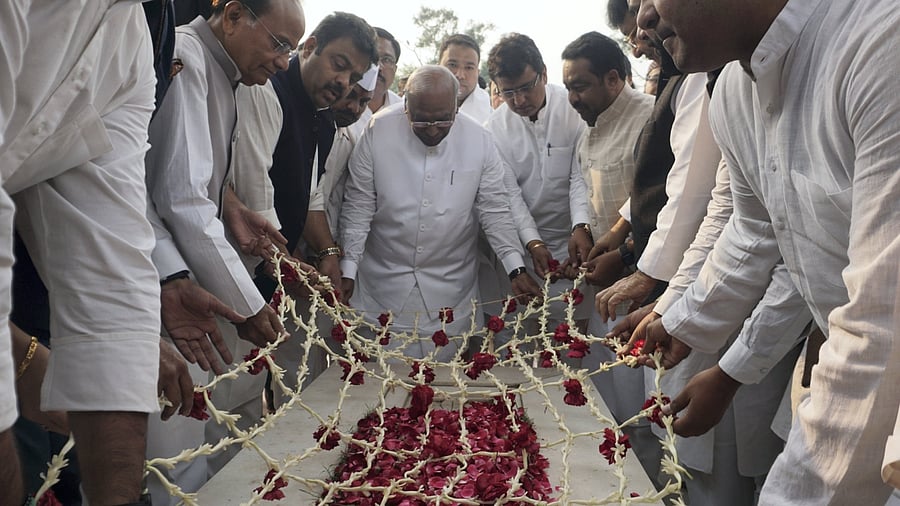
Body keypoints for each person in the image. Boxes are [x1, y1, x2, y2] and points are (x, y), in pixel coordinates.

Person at [633, 0, 900, 504]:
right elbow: (755, 228)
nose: (644, 17)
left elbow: (884, 317)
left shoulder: (879, 41)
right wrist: (685, 320)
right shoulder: (733, 92)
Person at [145, 0, 306, 493]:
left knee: (195, 441)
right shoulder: (189, 58)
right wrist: (249, 306)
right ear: (233, 16)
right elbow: (183, 199)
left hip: (180, 272)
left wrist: (229, 202)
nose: (284, 62)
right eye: (279, 45)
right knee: (171, 458)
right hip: (156, 276)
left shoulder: (225, 73)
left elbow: (194, 181)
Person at [339, 65, 540, 359]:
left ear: (456, 108)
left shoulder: (479, 139)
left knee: (446, 381)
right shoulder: (378, 130)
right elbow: (359, 205)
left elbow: (494, 209)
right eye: (421, 121)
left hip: (451, 291)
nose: (433, 129)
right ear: (406, 107)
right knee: (378, 380)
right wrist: (348, 270)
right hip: (381, 286)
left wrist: (515, 268)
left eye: (443, 120)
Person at [485, 33, 593, 332]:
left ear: (543, 74)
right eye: (508, 92)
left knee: (578, 339)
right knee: (525, 339)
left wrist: (581, 226)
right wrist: (533, 242)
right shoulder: (493, 128)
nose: (519, 100)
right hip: (524, 250)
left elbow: (580, 176)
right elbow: (509, 194)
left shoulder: (573, 108)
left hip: (577, 242)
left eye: (525, 88)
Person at [349, 27, 403, 139]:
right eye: (373, 58)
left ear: (395, 69)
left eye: (386, 60)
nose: (378, 67)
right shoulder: (340, 104)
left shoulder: (403, 111)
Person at [439, 33, 492, 124]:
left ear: (477, 73)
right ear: (438, 68)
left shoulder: (492, 122)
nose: (460, 75)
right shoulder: (415, 107)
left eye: (469, 68)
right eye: (452, 65)